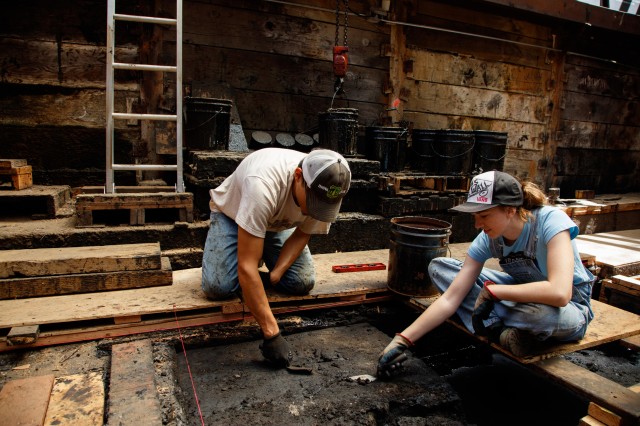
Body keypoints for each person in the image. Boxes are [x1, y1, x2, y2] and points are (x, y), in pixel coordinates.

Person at [377, 170, 595, 376]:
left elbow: (560, 293)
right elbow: (451, 298)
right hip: (519, 297)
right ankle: (502, 331)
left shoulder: (550, 221)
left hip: (569, 308)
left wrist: (495, 292)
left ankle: (496, 322)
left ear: (510, 209)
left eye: (484, 215)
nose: (478, 224)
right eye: (475, 216)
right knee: (440, 268)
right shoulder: (489, 238)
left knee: (536, 315)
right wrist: (403, 339)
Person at [201, 147, 351, 368]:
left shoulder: (326, 191)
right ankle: (243, 271)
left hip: (276, 222)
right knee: (218, 287)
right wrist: (272, 333)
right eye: (312, 203)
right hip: (233, 215)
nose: (314, 211)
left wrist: (277, 273)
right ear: (298, 176)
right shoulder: (261, 185)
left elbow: (302, 234)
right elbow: (247, 265)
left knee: (301, 282)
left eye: (322, 207)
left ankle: (252, 279)